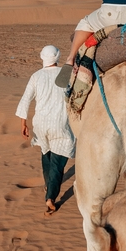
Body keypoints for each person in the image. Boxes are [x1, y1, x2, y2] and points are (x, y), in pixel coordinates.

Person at [15, 45, 76, 214]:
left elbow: (25, 100)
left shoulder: (36, 76)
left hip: (40, 124)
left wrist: (23, 123)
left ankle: (48, 186)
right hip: (60, 124)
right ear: (58, 57)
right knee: (57, 162)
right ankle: (50, 197)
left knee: (46, 153)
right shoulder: (66, 73)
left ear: (42, 57)